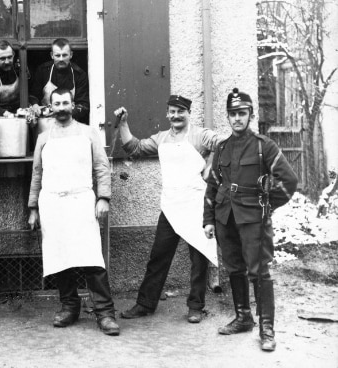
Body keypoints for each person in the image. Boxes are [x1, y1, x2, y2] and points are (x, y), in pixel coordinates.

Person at [203, 88, 298, 351]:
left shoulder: (263, 146)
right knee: (234, 268)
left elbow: (289, 181)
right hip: (225, 217)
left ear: (251, 115)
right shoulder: (222, 148)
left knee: (259, 272)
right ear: (228, 117)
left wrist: (267, 205)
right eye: (232, 114)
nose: (237, 118)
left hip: (253, 219)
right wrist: (209, 219)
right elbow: (213, 186)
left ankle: (267, 328)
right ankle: (244, 317)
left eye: (241, 113)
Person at [115, 95, 223, 323]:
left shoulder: (200, 135)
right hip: (171, 206)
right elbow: (134, 148)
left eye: (180, 111)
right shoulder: (161, 138)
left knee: (199, 257)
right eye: (171, 111)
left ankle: (196, 306)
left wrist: (211, 167)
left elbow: (225, 145)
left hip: (196, 206)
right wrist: (123, 123)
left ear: (188, 113)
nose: (175, 116)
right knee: (158, 257)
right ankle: (145, 303)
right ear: (167, 114)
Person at [28, 88, 119, 336]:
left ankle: (105, 313)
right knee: (60, 257)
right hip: (52, 204)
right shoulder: (44, 138)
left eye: (65, 103)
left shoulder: (88, 133)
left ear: (73, 105)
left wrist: (103, 198)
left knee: (91, 257)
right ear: (50, 106)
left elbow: (102, 166)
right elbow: (37, 173)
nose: (61, 108)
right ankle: (69, 306)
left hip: (81, 201)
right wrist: (33, 207)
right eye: (56, 104)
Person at [29, 38, 90, 124]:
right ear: (52, 55)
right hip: (46, 122)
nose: (61, 59)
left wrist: (62, 113)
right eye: (58, 55)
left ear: (71, 55)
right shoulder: (43, 70)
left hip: (71, 122)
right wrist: (35, 105)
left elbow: (83, 105)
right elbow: (33, 95)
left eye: (64, 55)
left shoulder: (79, 74)